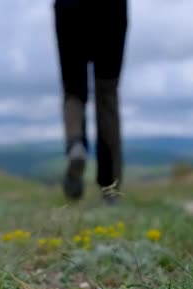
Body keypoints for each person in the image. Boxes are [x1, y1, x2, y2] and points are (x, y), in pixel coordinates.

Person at [54, 0, 128, 204]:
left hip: (70, 7)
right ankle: (110, 187)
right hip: (111, 9)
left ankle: (75, 144)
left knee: (73, 91)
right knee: (107, 94)